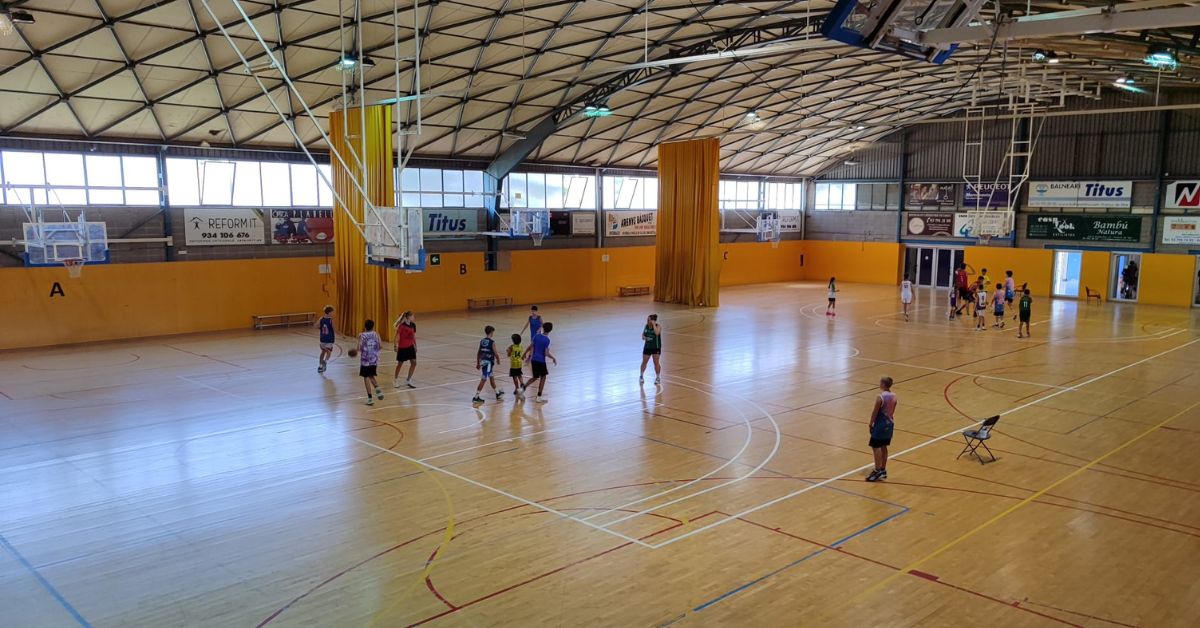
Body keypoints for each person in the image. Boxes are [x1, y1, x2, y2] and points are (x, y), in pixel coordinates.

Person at [866, 376, 897, 482]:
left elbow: (875, 412)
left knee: (876, 447)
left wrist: (871, 423)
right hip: (890, 424)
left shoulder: (881, 397)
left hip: (880, 425)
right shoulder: (894, 396)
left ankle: (877, 470)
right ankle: (883, 469)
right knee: (884, 446)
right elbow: (893, 410)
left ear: (883, 384)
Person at [522, 322, 557, 403]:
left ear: (543, 328)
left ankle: (522, 388)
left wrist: (524, 354)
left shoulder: (536, 336)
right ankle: (539, 396)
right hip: (541, 361)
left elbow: (531, 346)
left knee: (535, 377)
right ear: (550, 330)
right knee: (543, 377)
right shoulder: (547, 340)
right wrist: (553, 358)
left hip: (534, 360)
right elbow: (546, 353)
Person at [473, 325, 503, 403]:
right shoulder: (492, 342)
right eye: (493, 332)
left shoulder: (482, 341)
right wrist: (498, 360)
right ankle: (476, 397)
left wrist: (478, 363)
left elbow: (479, 352)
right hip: (488, 363)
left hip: (483, 362)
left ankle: (497, 393)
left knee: (491, 377)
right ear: (491, 332)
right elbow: (496, 353)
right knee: (484, 379)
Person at [359, 320, 384, 406]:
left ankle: (370, 399)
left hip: (365, 360)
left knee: (366, 377)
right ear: (373, 327)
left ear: (365, 326)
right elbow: (380, 346)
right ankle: (378, 389)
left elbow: (359, 347)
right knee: (371, 375)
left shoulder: (362, 335)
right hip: (374, 359)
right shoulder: (376, 334)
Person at [392, 311, 417, 388]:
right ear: (408, 317)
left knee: (414, 362)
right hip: (402, 347)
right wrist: (395, 345)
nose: (414, 318)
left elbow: (413, 336)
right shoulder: (402, 326)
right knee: (400, 364)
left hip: (410, 347)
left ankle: (408, 380)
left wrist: (415, 345)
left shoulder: (413, 325)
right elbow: (397, 335)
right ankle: (395, 380)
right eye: (413, 316)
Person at [639, 314, 662, 384]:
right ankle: (641, 376)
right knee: (644, 362)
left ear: (653, 321)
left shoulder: (658, 326)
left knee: (656, 363)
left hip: (656, 347)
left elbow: (657, 333)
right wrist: (644, 337)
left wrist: (654, 325)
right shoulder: (646, 326)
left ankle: (658, 377)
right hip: (647, 347)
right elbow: (643, 335)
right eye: (647, 320)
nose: (647, 321)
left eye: (649, 320)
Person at [507, 334, 526, 399]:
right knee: (519, 374)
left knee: (514, 376)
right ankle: (522, 383)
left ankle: (517, 388)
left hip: (513, 364)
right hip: (519, 363)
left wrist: (508, 351)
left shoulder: (512, 347)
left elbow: (509, 355)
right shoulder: (521, 346)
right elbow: (521, 354)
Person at [317, 305, 334, 373]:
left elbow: (315, 326)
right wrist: (342, 335)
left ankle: (320, 366)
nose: (333, 313)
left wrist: (321, 328)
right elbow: (335, 329)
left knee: (323, 352)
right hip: (329, 339)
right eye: (332, 312)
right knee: (329, 352)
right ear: (329, 312)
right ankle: (325, 361)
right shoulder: (330, 320)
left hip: (322, 338)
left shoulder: (321, 319)